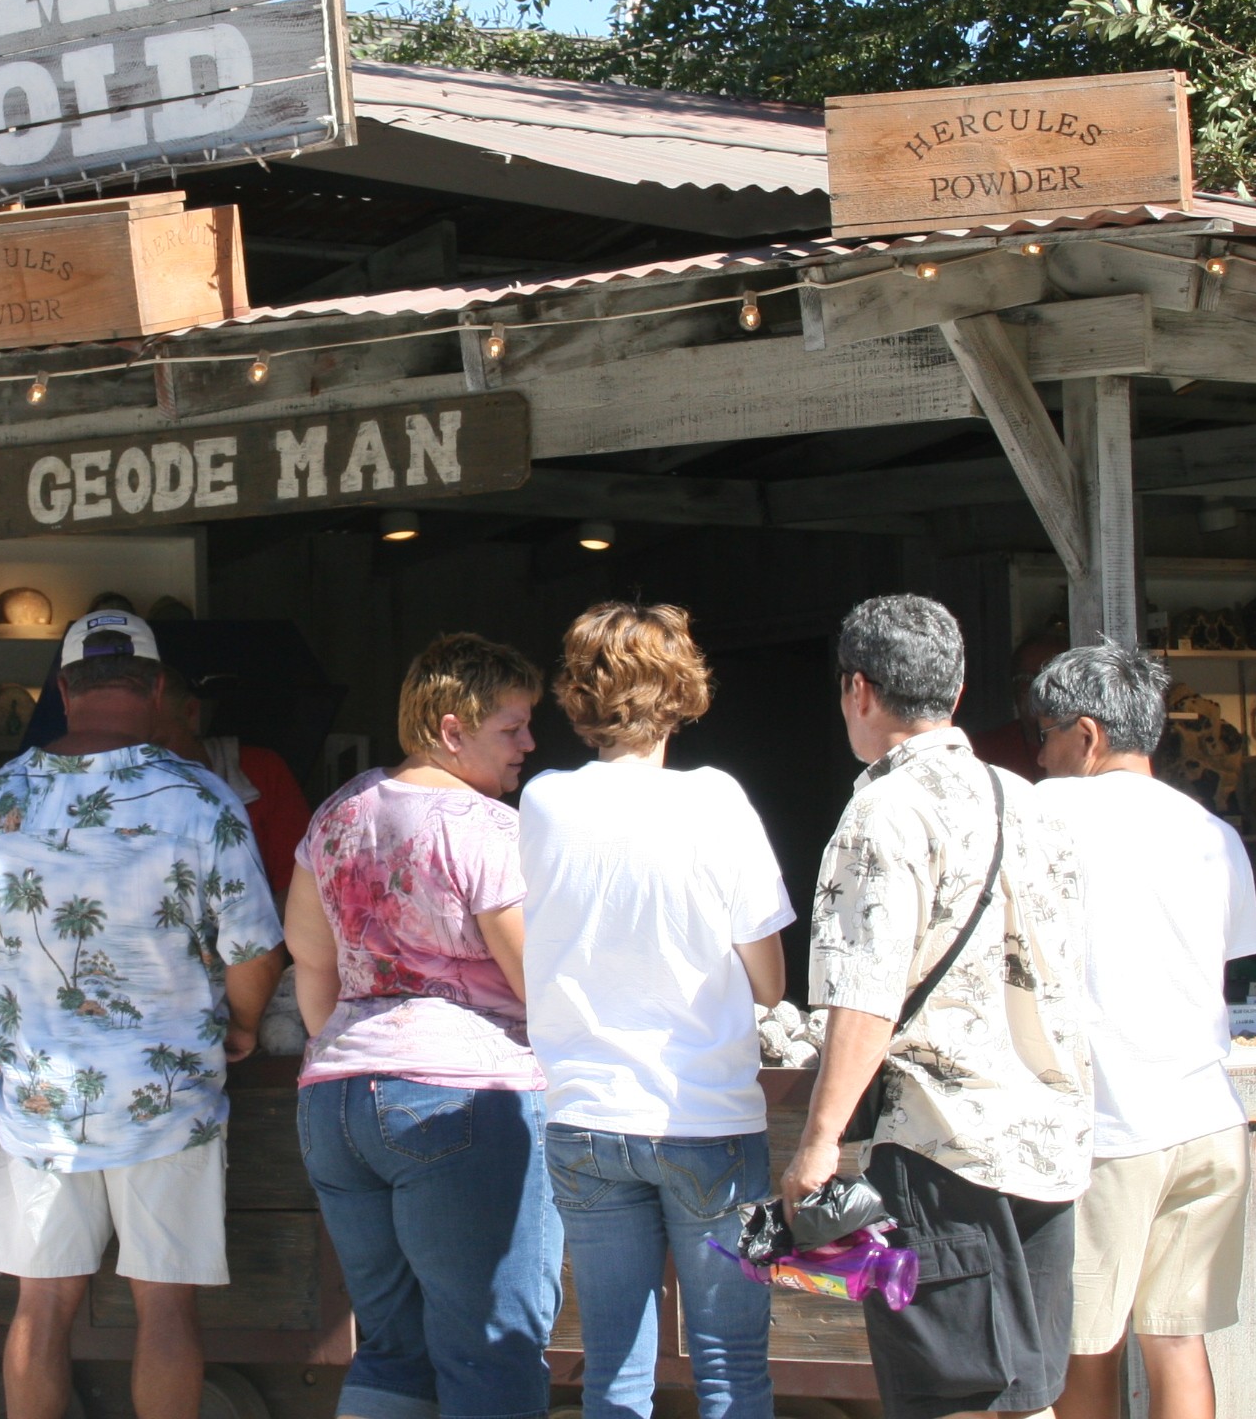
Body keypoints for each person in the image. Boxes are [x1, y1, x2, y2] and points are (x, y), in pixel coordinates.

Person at [0, 611, 285, 1419]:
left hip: (39, 1104)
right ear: (159, 690)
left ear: (61, 691)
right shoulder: (203, 800)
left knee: (42, 1307)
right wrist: (238, 1025)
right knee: (165, 1309)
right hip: (168, 1103)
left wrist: (2, 1042)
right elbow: (255, 954)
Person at [778, 595, 1089, 1419]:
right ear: (954, 695)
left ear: (858, 691)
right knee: (1021, 1396)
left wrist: (817, 1148)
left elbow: (866, 998)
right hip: (1046, 1144)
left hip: (942, 1147)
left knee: (949, 1397)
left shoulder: (881, 813)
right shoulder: (1029, 801)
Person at [520, 603, 795, 1419]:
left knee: (613, 1368)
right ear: (681, 691)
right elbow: (772, 981)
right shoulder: (716, 800)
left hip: (584, 1118)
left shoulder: (543, 802)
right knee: (732, 1366)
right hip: (708, 1117)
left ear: (578, 695)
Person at [285, 633, 557, 1419]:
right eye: (511, 729)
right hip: (461, 1095)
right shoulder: (486, 827)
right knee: (493, 1349)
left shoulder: (338, 812)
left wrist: (344, 1049)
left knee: (392, 1347)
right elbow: (535, 984)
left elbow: (310, 957)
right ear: (450, 729)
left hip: (335, 1098)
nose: (529, 745)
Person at [1035, 644, 1256, 1419]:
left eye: (1047, 734)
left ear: (1086, 735)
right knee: (1178, 1340)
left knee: (1085, 1344)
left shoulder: (1044, 815)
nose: (1041, 753)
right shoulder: (1212, 833)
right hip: (1206, 1117)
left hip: (1109, 1126)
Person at [152, 668, 313, 895]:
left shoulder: (259, 771)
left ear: (191, 713)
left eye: (156, 744)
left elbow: (300, 885)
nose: (142, 759)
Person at [972, 631, 1066, 781]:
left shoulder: (1087, 749)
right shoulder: (982, 752)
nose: (1037, 689)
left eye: (1048, 679)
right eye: (1026, 678)